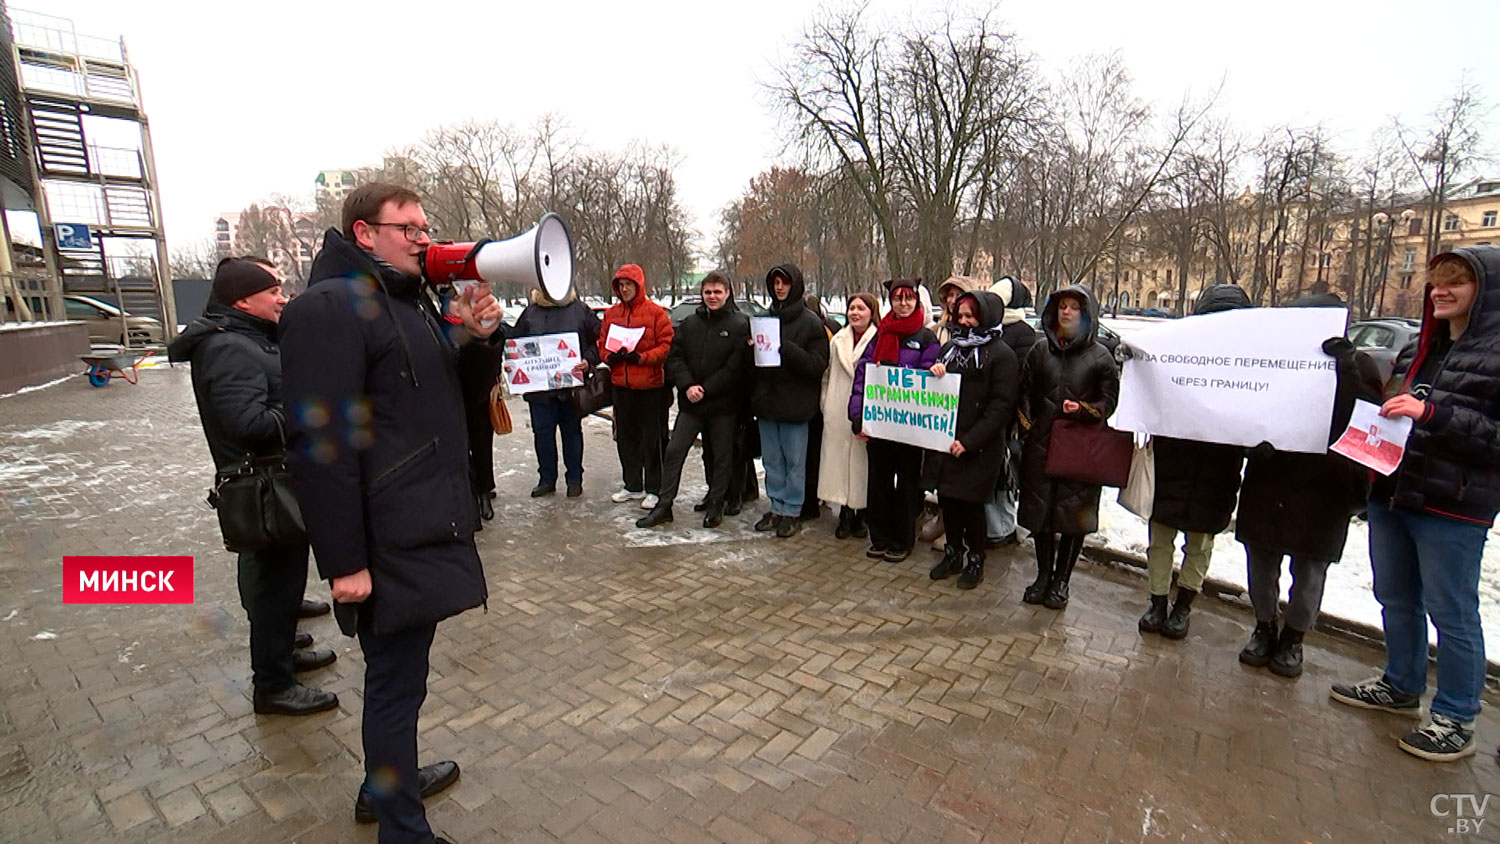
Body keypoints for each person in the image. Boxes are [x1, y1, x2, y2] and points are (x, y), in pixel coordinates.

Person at [280, 183, 498, 842]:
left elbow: (446, 399)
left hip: (421, 522)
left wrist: (474, 336)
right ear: (363, 232)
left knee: (404, 679)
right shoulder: (328, 309)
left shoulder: (406, 302)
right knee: (395, 687)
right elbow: (320, 445)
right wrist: (345, 562)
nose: (422, 236)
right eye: (405, 226)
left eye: (425, 225)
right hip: (382, 537)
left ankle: (389, 778)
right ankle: (401, 827)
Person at [1331, 246, 1500, 763]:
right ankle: (1401, 684)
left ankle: (1455, 716)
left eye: (1457, 282)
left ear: (1486, 293)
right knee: (1396, 596)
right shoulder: (1416, 352)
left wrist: (1433, 414)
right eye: (1436, 282)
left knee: (1452, 611)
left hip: (1452, 504)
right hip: (1393, 493)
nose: (1440, 291)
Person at [169, 258, 338, 717]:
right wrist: (307, 410)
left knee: (283, 584)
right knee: (273, 591)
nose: (282, 297)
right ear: (244, 300)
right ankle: (274, 686)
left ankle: (282, 657)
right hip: (263, 487)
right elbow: (247, 423)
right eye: (273, 291)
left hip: (276, 480)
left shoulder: (246, 340)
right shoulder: (228, 349)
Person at [1235, 297, 1380, 674]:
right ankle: (1264, 627)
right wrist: (1253, 443)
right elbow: (1245, 408)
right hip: (1273, 478)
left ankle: (1294, 638)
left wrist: (1345, 368)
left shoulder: (1359, 364)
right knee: (1262, 563)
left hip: (1326, 487)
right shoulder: (1278, 362)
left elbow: (1367, 419)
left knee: (1311, 570)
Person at [1137, 285, 1253, 640]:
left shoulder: (1250, 363)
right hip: (1173, 462)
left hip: (1217, 469)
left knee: (1199, 543)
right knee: (1160, 538)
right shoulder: (1177, 353)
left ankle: (1183, 605)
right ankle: (1157, 602)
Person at [1017, 284, 1119, 609]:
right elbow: (1025, 392)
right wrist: (1027, 426)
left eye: (1074, 307)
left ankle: (1062, 581)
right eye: (1062, 306)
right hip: (1041, 446)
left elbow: (1110, 401)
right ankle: (1043, 575)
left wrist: (1087, 411)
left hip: (1080, 449)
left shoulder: (1100, 356)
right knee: (1041, 515)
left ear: (1086, 313)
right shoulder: (1039, 350)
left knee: (1073, 519)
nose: (1067, 312)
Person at [638, 272, 750, 528]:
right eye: (708, 292)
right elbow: (675, 358)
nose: (712, 297)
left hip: (723, 405)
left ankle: (716, 503)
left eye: (717, 292)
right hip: (691, 404)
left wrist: (706, 389)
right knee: (675, 450)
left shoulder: (740, 324)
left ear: (727, 293)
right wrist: (687, 385)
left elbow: (735, 368)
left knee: (721, 456)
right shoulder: (690, 324)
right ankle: (665, 505)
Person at [925, 291, 1020, 588]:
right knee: (949, 500)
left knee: (972, 505)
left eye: (971, 316)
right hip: (947, 438)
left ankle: (976, 558)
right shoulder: (951, 348)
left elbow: (1001, 407)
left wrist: (970, 441)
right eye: (960, 316)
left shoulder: (1001, 355)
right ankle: (953, 553)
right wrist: (935, 373)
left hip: (979, 446)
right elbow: (936, 390)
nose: (964, 322)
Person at [850, 278, 941, 562]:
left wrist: (936, 372)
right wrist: (857, 414)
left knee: (907, 487)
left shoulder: (926, 338)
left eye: (908, 298)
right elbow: (863, 377)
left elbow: (929, 378)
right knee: (878, 483)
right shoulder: (880, 335)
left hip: (910, 430)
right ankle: (879, 536)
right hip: (880, 426)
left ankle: (902, 540)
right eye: (897, 298)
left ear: (916, 300)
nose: (903, 304)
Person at [750, 264, 830, 537]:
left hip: (795, 405)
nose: (779, 287)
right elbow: (754, 365)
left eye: (784, 282)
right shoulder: (764, 318)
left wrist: (786, 347)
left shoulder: (810, 322)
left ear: (795, 285)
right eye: (775, 283)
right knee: (772, 461)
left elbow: (817, 364)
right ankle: (776, 505)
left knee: (795, 461)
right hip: (767, 402)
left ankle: (793, 509)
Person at [512, 273, 601, 498]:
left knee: (572, 434)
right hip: (539, 393)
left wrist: (588, 360)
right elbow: (515, 342)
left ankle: (574, 479)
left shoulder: (580, 310)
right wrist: (513, 364)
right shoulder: (530, 313)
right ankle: (546, 479)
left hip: (570, 390)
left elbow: (599, 340)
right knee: (543, 436)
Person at [599, 264, 674, 510]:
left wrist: (641, 358)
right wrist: (610, 356)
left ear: (638, 286)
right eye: (620, 286)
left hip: (650, 386)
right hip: (622, 384)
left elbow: (666, 346)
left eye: (628, 285)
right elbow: (602, 344)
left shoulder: (656, 313)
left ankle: (654, 487)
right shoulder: (612, 314)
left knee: (652, 439)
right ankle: (632, 484)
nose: (624, 289)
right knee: (626, 437)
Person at [818, 292, 879, 539]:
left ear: (871, 312)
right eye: (852, 308)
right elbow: (827, 375)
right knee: (839, 462)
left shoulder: (880, 339)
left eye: (861, 308)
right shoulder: (838, 340)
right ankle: (844, 511)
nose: (855, 313)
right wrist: (826, 403)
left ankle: (861, 513)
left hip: (866, 410)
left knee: (861, 463)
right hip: (837, 408)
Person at [984, 276, 1038, 546]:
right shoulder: (992, 328)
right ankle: (990, 525)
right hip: (988, 410)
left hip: (1006, 414)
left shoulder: (1023, 333)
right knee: (989, 472)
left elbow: (1021, 377)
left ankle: (1001, 528)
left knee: (1002, 473)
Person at [799, 294, 838, 521]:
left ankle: (810, 499)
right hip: (822, 398)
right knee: (816, 452)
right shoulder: (833, 328)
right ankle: (816, 496)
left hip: (814, 397)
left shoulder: (819, 332)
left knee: (810, 453)